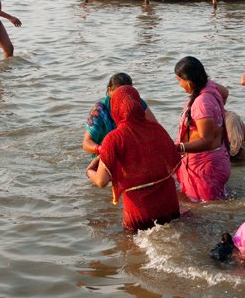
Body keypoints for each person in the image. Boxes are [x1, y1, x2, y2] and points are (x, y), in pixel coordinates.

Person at [85, 86, 181, 231]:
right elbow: (172, 157)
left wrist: (89, 171)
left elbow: (101, 181)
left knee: (129, 247)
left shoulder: (114, 139)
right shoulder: (157, 129)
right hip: (170, 205)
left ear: (115, 109)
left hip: (140, 212)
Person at [174, 56, 231, 202]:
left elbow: (206, 140)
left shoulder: (201, 102)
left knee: (202, 210)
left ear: (189, 80)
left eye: (179, 80)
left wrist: (177, 148)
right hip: (218, 158)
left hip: (205, 166)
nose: (179, 84)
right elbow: (225, 92)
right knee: (217, 203)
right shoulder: (211, 89)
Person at [82, 73, 157, 157]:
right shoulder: (100, 111)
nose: (122, 99)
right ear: (109, 90)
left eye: (126, 94)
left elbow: (155, 129)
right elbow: (86, 143)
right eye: (118, 94)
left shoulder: (137, 103)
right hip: (106, 154)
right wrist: (103, 149)